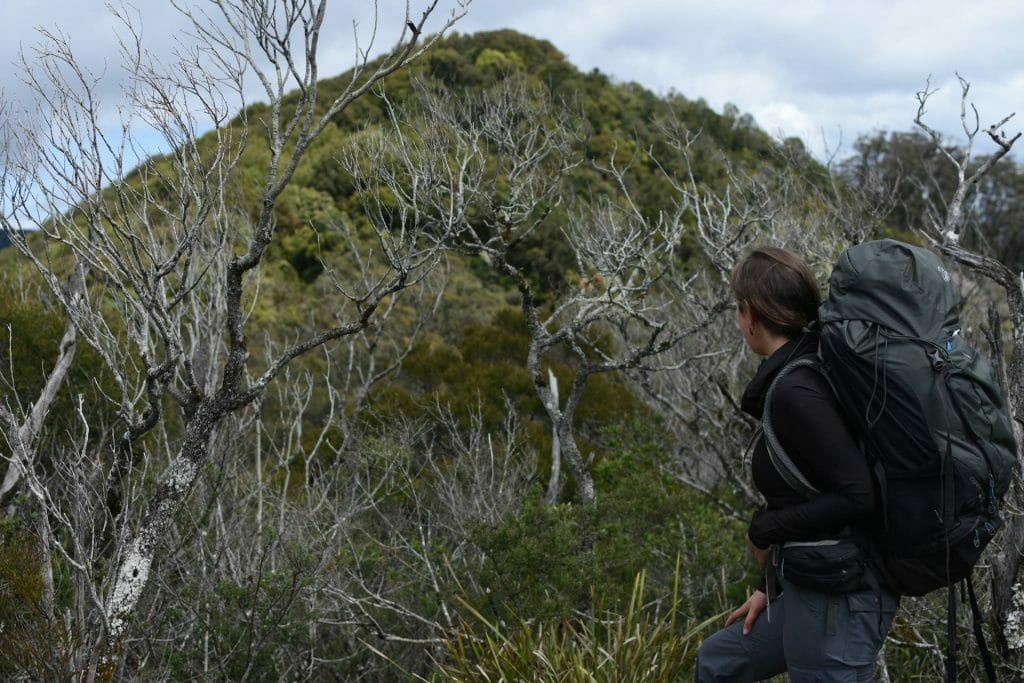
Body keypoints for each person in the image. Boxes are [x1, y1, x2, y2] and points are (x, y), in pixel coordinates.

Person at [694, 247, 899, 682]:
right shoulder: (805, 369)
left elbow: (857, 496)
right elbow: (807, 490)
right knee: (720, 660)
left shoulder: (797, 389)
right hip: (811, 585)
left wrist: (765, 529)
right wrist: (770, 584)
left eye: (737, 308)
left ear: (749, 313)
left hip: (840, 599)